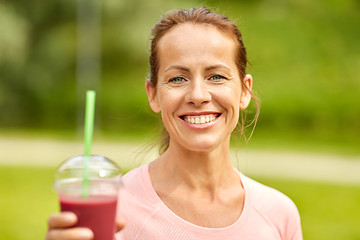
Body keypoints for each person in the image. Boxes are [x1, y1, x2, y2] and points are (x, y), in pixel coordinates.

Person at [46, 7, 302, 240]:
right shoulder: (114, 211)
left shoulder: (279, 214)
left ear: (244, 91)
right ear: (153, 94)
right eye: (178, 79)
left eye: (216, 76)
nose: (198, 95)